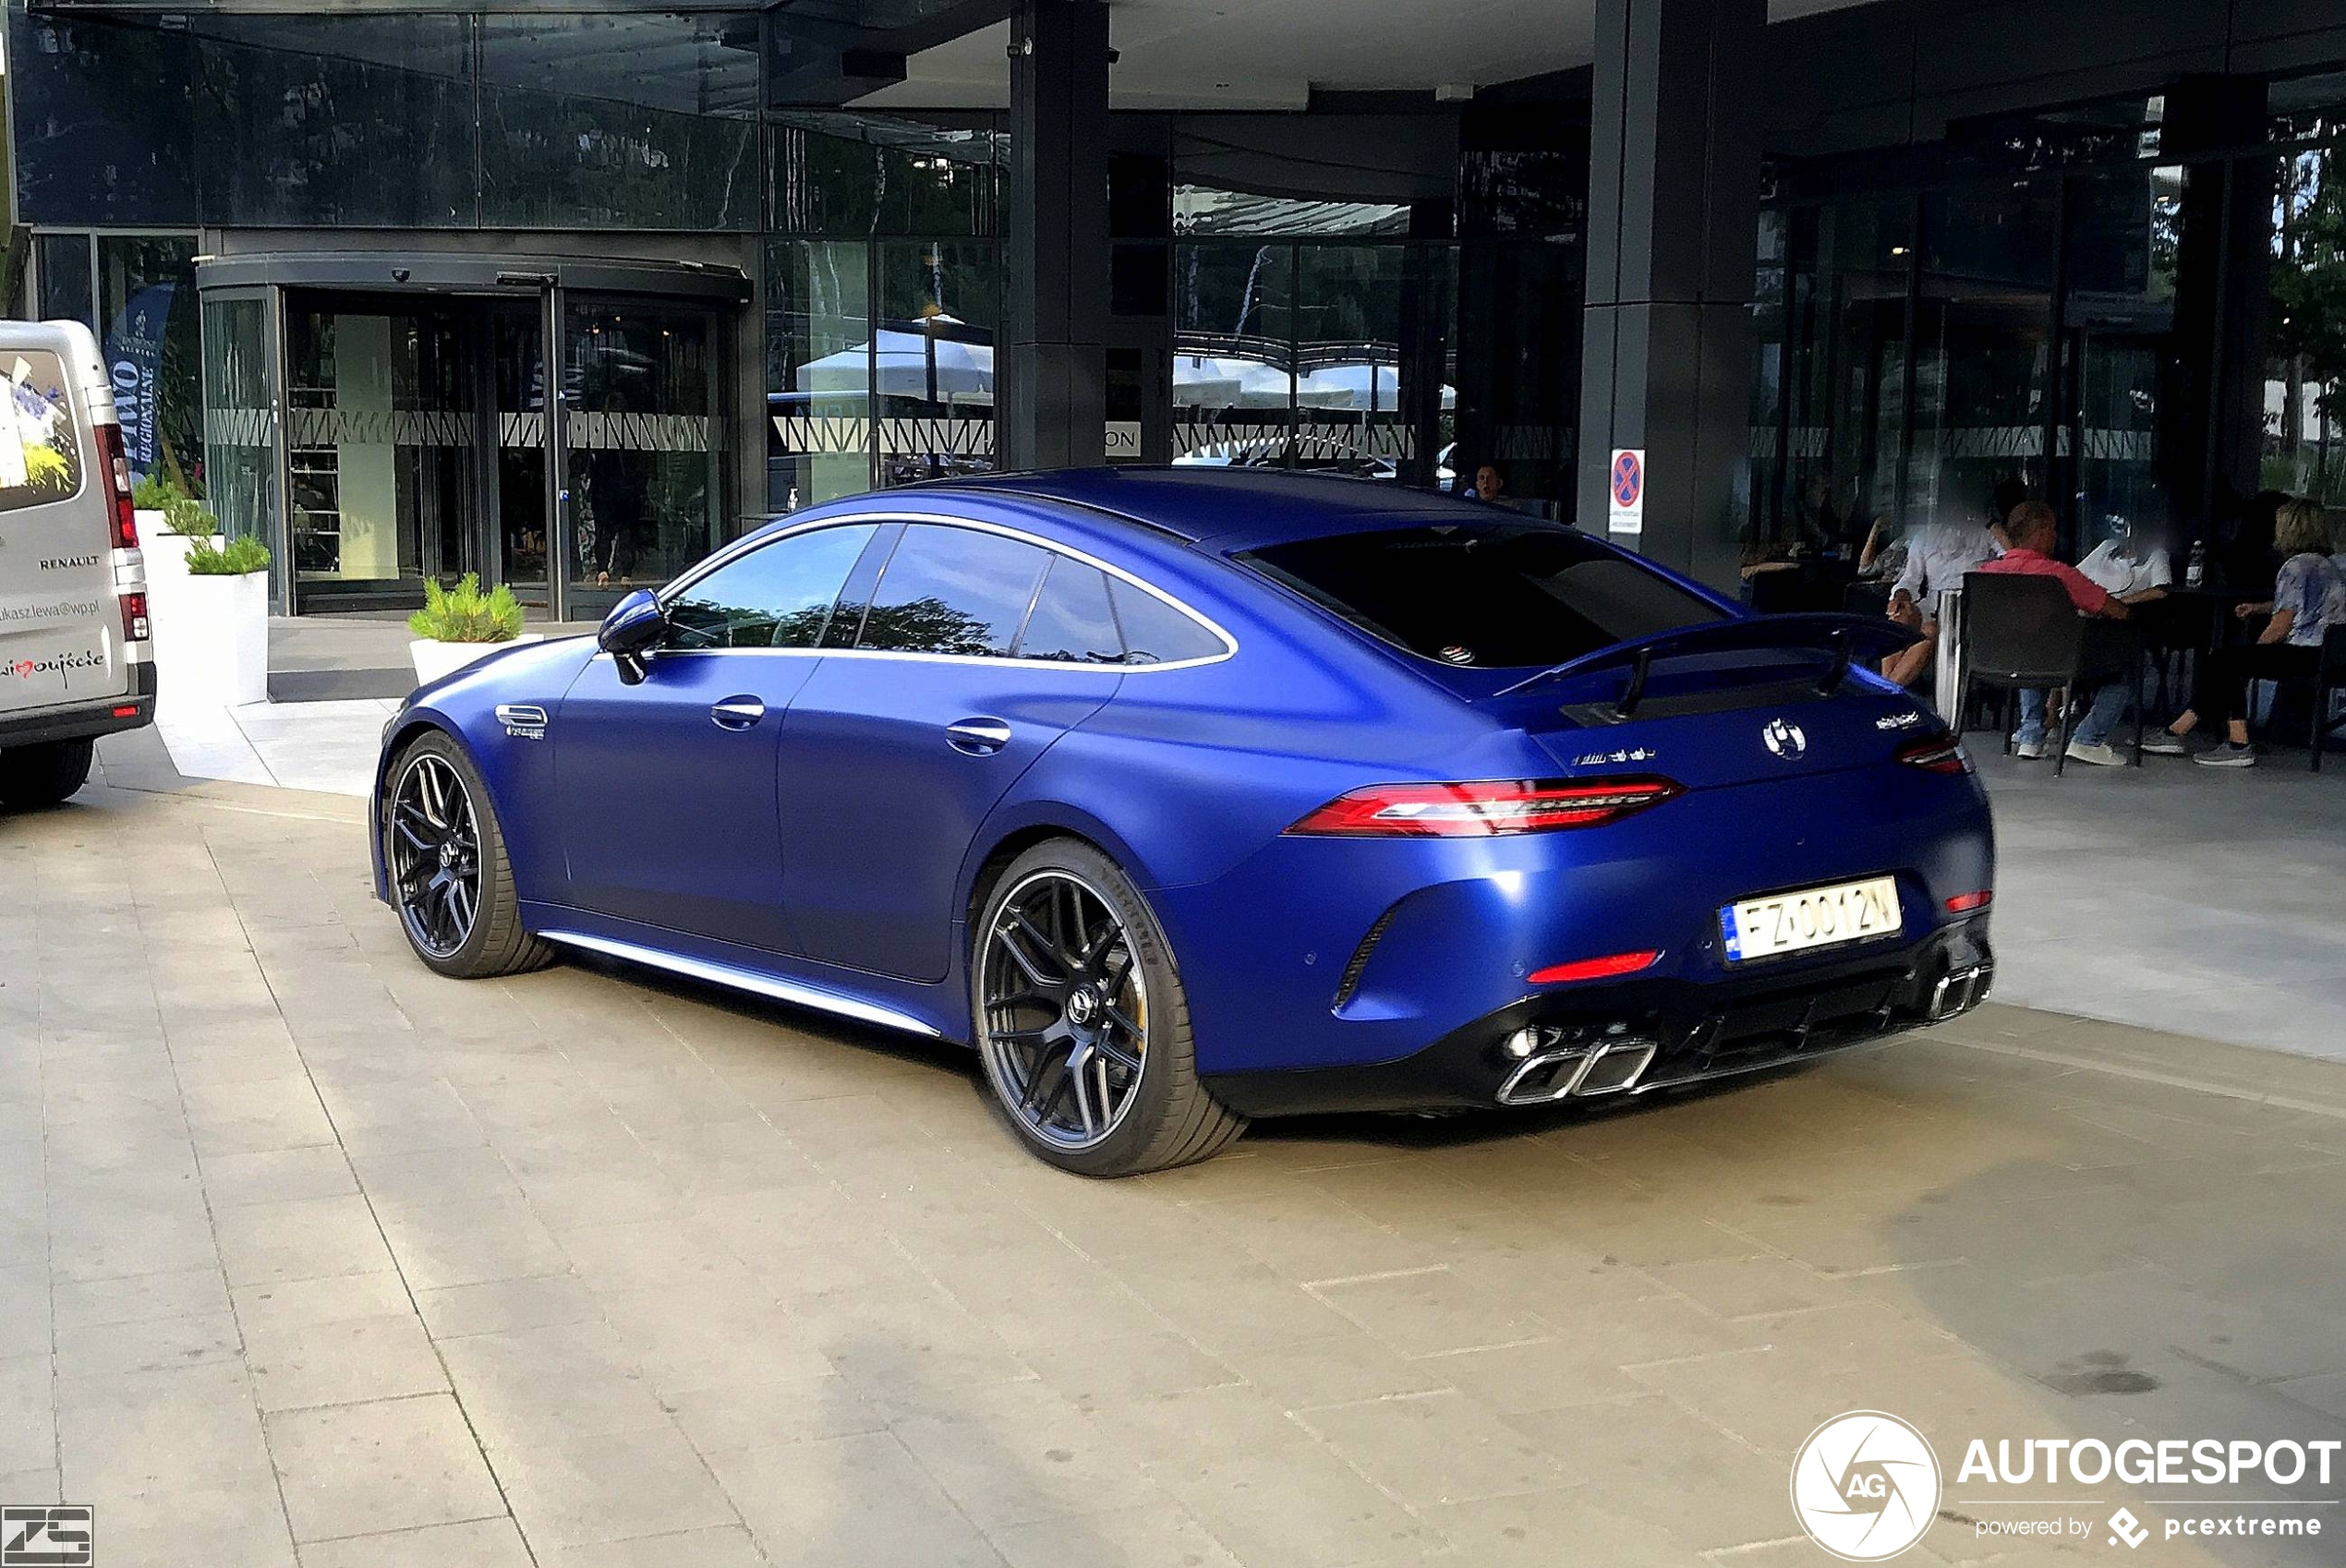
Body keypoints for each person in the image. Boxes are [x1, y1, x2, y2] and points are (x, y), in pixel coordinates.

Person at [2142, 497, 2346, 767]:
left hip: (2304, 652)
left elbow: (2283, 622)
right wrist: (2260, 608)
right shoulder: (2328, 566)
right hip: (2329, 654)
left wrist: (2256, 651)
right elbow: (2308, 603)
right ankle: (2178, 730)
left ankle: (2236, 743)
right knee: (2230, 662)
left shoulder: (2295, 567)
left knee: (2229, 662)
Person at [1973, 501, 2136, 766]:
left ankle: (2030, 736)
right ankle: (2088, 739)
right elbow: (2113, 610)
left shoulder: (1984, 573)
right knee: (2126, 665)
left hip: (1994, 660)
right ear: (2039, 533)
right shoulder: (2059, 575)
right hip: (2058, 663)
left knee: (2026, 650)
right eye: (2052, 530)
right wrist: (2132, 614)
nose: (2056, 536)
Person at [1878, 492, 2004, 688]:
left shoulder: (1984, 534)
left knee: (1929, 630)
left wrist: (1995, 527)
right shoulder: (1925, 537)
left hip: (1969, 605)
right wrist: (1901, 596)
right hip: (1933, 601)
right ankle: (1886, 690)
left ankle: (1884, 692)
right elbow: (1911, 578)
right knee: (1898, 619)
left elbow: (2012, 559)